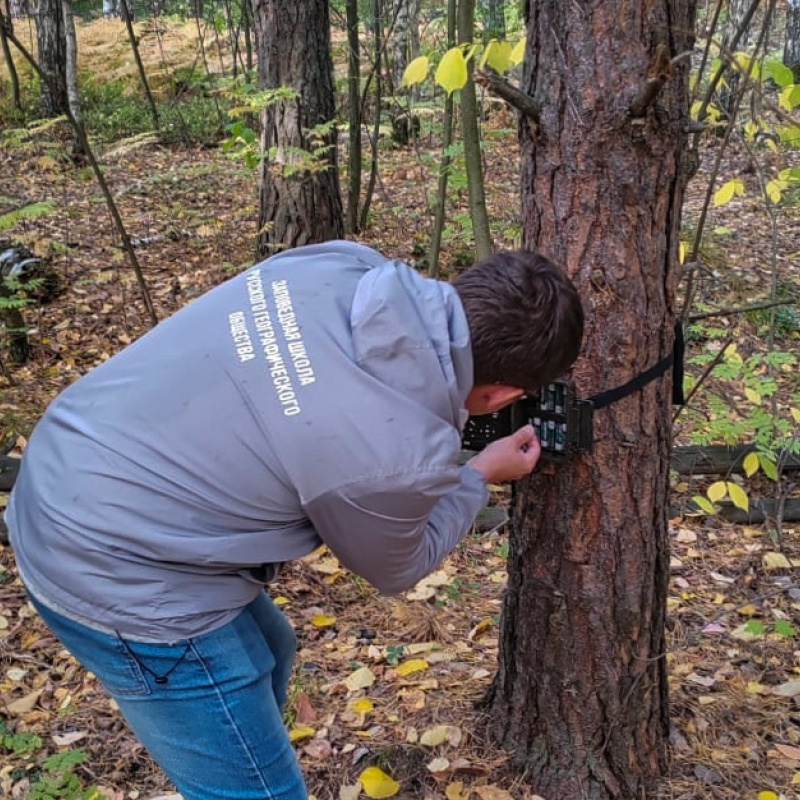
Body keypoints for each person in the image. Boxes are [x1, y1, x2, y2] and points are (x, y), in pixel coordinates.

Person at [6, 240, 584, 800]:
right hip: (111, 566)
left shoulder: (342, 263)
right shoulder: (397, 453)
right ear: (503, 394)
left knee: (272, 650)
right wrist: (477, 474)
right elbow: (398, 567)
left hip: (68, 464)